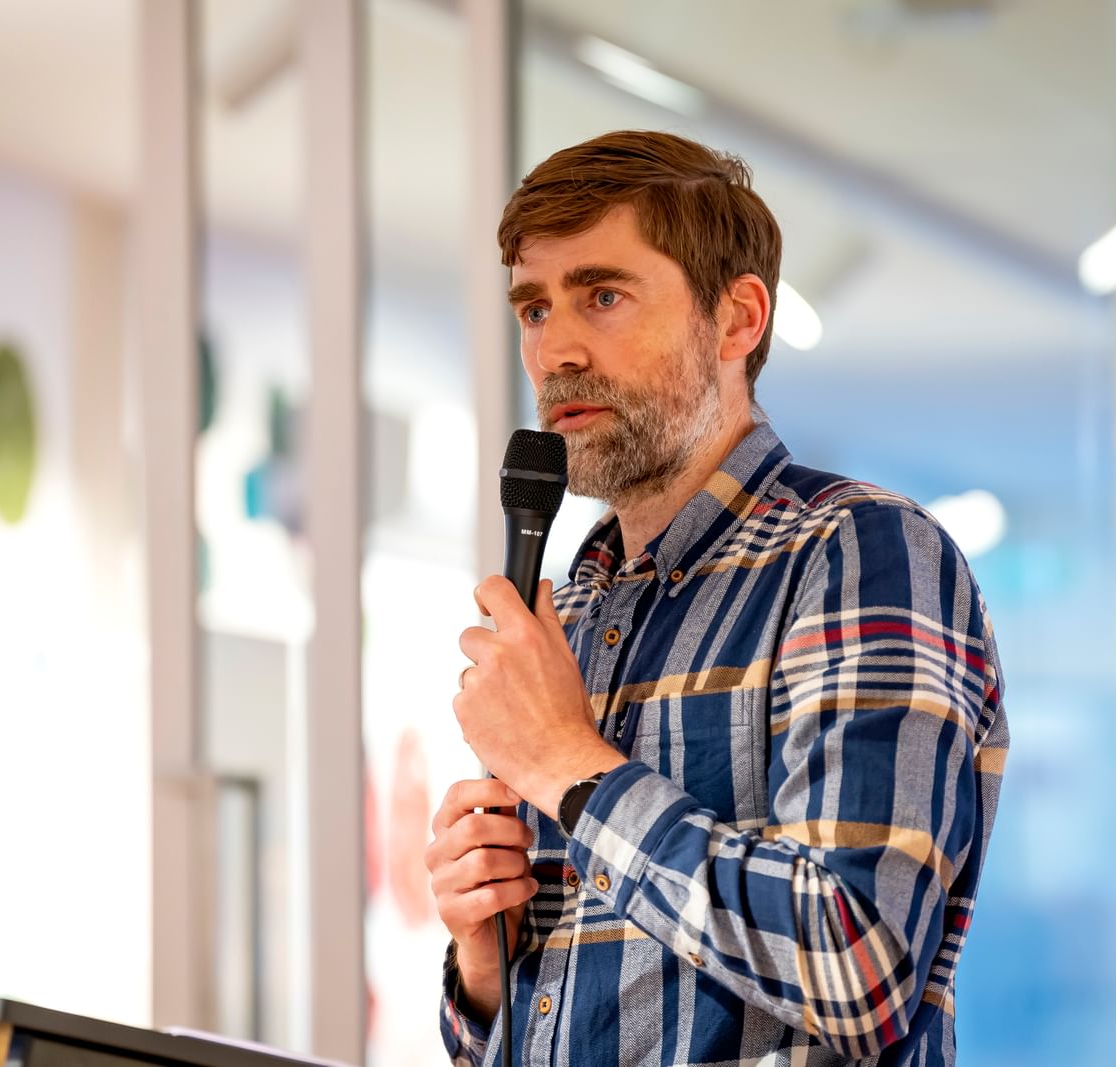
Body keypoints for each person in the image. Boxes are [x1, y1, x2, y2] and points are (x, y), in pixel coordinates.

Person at [426, 130, 1008, 1067]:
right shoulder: (569, 611)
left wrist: (570, 765)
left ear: (738, 320)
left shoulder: (858, 553)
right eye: (534, 308)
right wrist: (482, 969)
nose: (555, 350)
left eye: (602, 296)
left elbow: (858, 965)